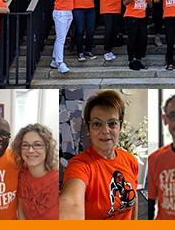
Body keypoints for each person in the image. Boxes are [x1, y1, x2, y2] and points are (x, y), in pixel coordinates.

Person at [59, 90, 139, 219]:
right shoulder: (80, 166)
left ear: (120, 126)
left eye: (112, 123)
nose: (105, 131)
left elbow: (134, 199)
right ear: (89, 129)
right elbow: (71, 203)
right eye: (97, 124)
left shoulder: (130, 160)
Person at [12, 123, 59, 220]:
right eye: (25, 145)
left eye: (37, 145)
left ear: (47, 148)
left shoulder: (59, 180)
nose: (30, 150)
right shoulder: (22, 175)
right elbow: (21, 209)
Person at [50, 0, 79, 74]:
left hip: (68, 12)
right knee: (61, 38)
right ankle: (60, 62)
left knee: (61, 37)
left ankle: (54, 59)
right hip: (60, 12)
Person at [122, 0, 151, 71]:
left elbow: (150, 5)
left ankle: (138, 60)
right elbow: (125, 2)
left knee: (142, 39)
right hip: (131, 17)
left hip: (142, 17)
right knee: (132, 39)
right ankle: (131, 60)